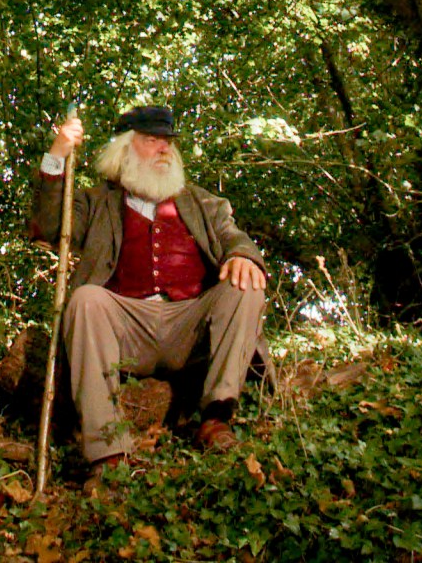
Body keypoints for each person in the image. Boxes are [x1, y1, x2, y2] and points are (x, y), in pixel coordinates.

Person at [29, 104, 270, 480]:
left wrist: (242, 256)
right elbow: (48, 226)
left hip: (191, 329)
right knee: (86, 299)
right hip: (128, 329)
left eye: (168, 142)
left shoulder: (200, 201)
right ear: (124, 149)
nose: (164, 149)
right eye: (152, 140)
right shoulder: (96, 202)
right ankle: (107, 452)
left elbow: (233, 236)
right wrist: (57, 154)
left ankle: (216, 419)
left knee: (245, 285)